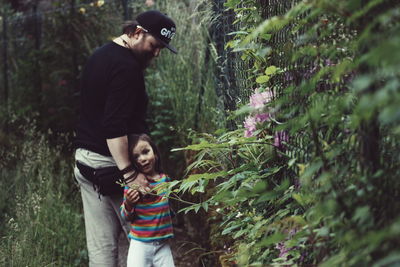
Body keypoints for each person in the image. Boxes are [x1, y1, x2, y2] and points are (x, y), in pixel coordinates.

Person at [73, 10, 177, 267]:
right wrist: (130, 174)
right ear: (138, 33)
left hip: (86, 162)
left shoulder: (100, 55)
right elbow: (114, 125)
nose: (156, 54)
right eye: (154, 46)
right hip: (113, 167)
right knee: (148, 244)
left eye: (161, 48)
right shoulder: (127, 68)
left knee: (102, 250)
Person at [121, 134, 175, 267]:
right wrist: (128, 204)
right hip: (140, 245)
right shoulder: (133, 185)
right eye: (136, 157)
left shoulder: (165, 180)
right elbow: (125, 216)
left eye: (145, 152)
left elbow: (169, 209)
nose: (142, 159)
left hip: (163, 245)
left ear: (155, 153)